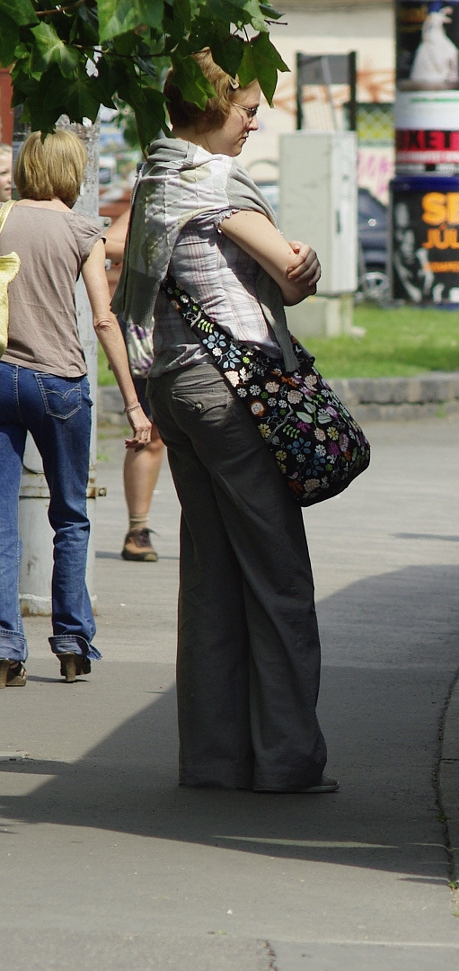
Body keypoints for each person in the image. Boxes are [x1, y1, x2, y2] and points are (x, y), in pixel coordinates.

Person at [112, 49, 338, 793]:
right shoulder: (212, 178)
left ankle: (212, 758)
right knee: (277, 579)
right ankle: (287, 760)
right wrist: (303, 264)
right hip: (235, 388)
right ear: (214, 111)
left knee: (209, 578)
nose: (255, 119)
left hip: (176, 385)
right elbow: (289, 271)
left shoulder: (154, 176)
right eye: (246, 109)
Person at [0, 129, 152, 688]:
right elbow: (103, 318)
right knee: (69, 514)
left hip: (0, 377)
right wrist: (133, 403)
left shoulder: (0, 217)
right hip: (59, 383)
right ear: (72, 172)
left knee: (0, 523)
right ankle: (70, 643)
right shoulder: (82, 228)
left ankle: (3, 649)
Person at [105, 206, 166, 562]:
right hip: (150, 332)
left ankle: (218, 534)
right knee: (151, 435)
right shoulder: (153, 194)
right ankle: (137, 529)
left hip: (209, 332)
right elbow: (106, 242)